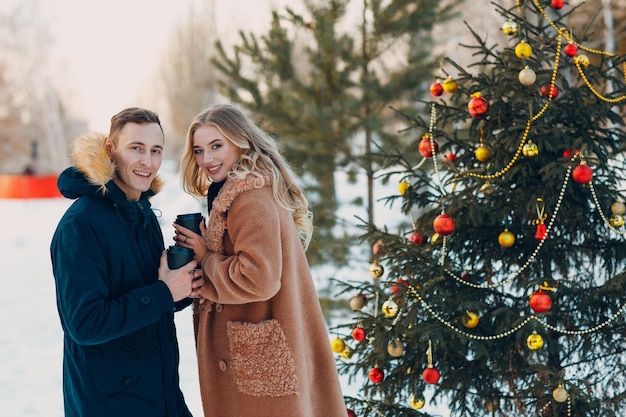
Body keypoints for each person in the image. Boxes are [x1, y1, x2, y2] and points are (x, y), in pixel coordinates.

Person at [173, 104, 347, 417]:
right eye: (199, 150)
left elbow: (258, 278)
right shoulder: (240, 189)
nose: (207, 159)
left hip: (261, 361)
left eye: (216, 146)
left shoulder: (249, 197)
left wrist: (205, 256)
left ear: (241, 141)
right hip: (262, 354)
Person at [50, 107, 203, 417]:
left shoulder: (141, 212)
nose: (147, 161)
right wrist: (163, 293)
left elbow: (149, 296)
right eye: (136, 148)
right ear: (110, 148)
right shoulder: (80, 225)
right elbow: (85, 324)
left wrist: (185, 284)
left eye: (155, 150)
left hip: (160, 394)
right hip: (109, 403)